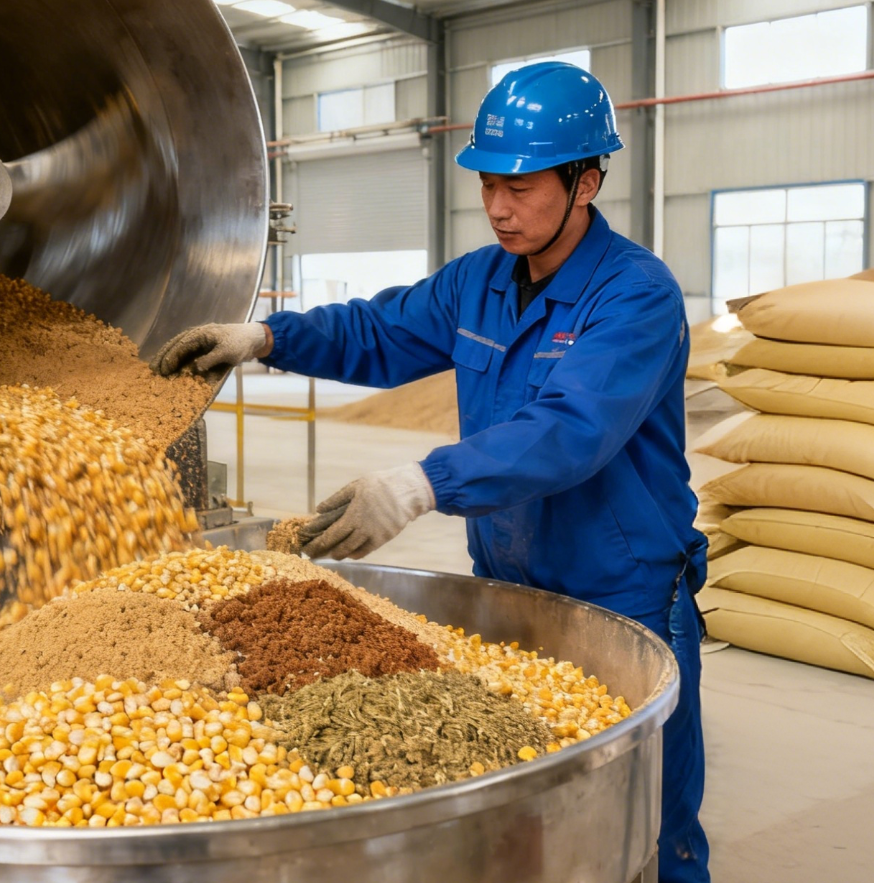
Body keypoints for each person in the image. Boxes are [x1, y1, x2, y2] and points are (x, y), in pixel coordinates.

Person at [151, 62, 709, 883]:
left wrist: (418, 485)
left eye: (520, 187)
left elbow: (570, 430)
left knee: (651, 810)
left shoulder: (634, 298)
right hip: (511, 579)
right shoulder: (477, 282)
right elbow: (378, 331)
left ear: (586, 180)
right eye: (487, 183)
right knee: (536, 793)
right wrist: (266, 340)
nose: (497, 208)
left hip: (618, 587)